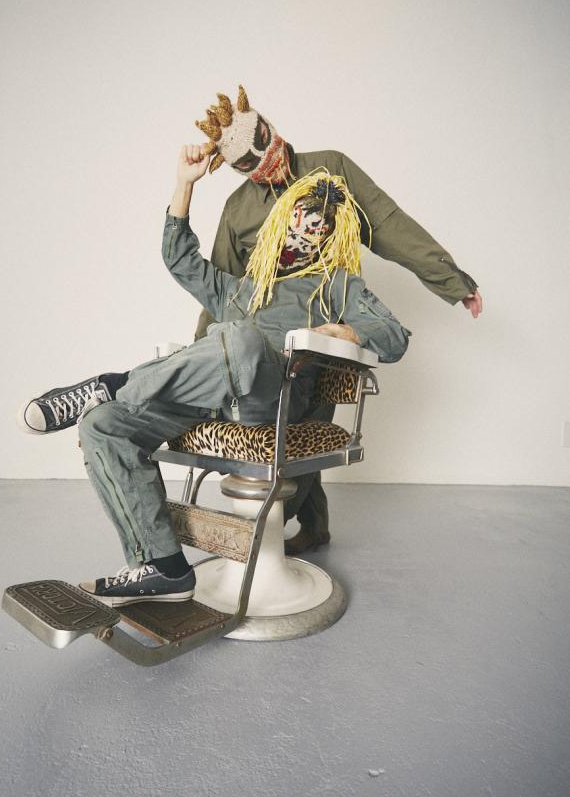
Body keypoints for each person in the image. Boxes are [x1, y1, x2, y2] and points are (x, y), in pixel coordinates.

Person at [20, 146, 411, 607]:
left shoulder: (336, 286)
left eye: (317, 228)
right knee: (103, 424)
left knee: (240, 337)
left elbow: (394, 337)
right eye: (298, 221)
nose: (303, 234)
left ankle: (114, 384)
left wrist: (343, 330)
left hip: (275, 402)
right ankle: (164, 567)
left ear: (330, 235)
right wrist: (185, 184)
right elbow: (180, 261)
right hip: (209, 401)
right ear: (281, 221)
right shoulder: (243, 289)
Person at [191, 86, 483, 555]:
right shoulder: (238, 209)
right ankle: (305, 528)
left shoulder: (330, 169)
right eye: (246, 160)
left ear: (267, 126)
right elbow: (221, 287)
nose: (264, 160)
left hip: (325, 327)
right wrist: (203, 360)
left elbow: (387, 224)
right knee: (280, 429)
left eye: (261, 141)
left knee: (304, 423)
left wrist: (451, 280)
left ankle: (280, 530)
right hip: (264, 339)